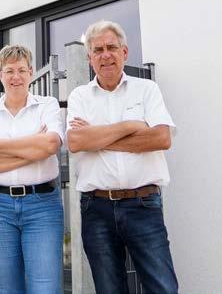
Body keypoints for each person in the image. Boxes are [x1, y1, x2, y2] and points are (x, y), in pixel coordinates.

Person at [66, 20, 178, 294]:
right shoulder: (79, 96)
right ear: (90, 58)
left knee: (162, 288)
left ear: (124, 52)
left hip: (143, 204)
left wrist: (99, 139)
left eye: (111, 48)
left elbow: (161, 138)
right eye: (98, 50)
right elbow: (77, 141)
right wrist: (131, 126)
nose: (105, 55)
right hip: (96, 208)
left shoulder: (146, 89)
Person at [0, 44, 65, 294]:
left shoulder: (47, 105)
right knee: (7, 289)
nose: (16, 77)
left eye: (21, 70)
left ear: (31, 72)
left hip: (42, 205)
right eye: (9, 71)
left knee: (45, 289)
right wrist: (31, 151)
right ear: (0, 74)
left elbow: (50, 145)